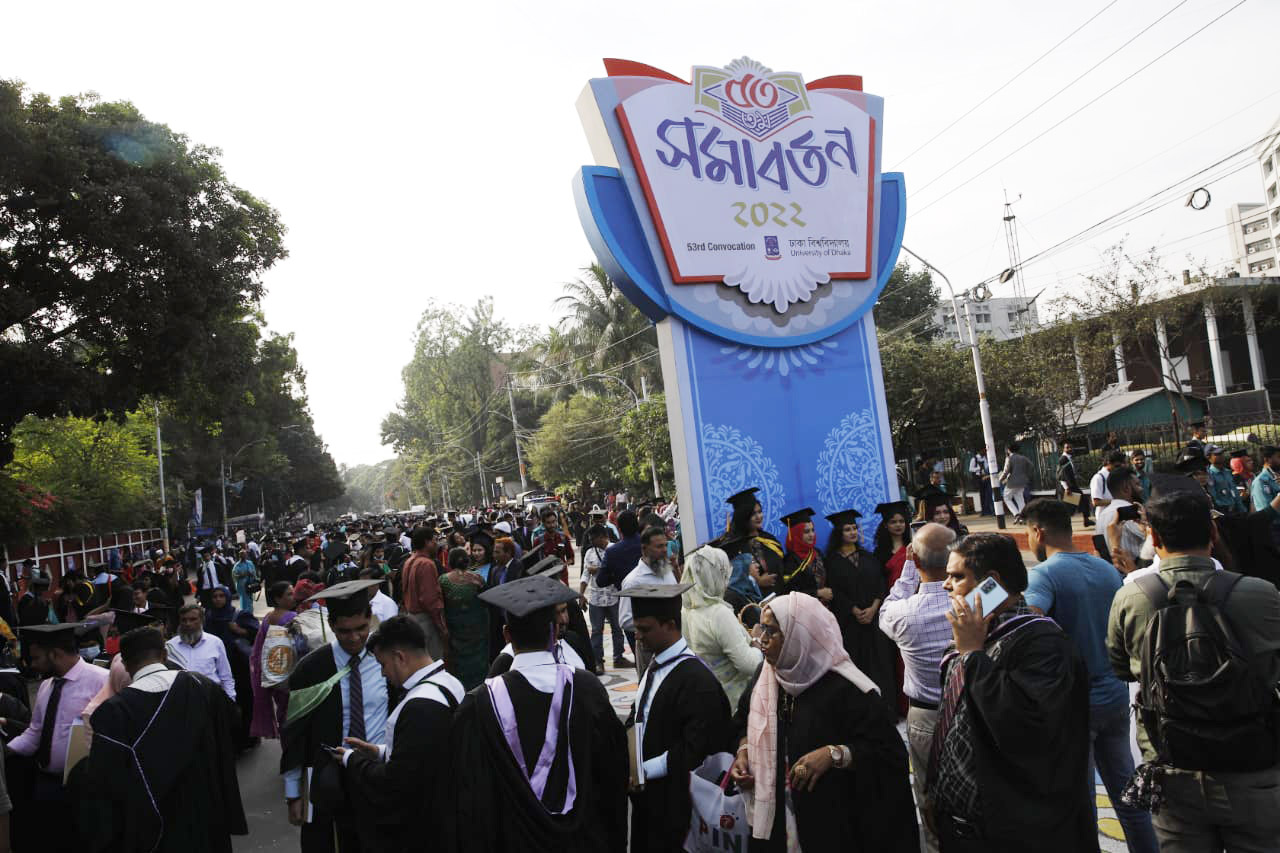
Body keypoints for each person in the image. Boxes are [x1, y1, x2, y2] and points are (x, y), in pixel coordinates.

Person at [1107, 491, 1280, 849]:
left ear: (1153, 538)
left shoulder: (1132, 596)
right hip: (1255, 762)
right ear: (1213, 534)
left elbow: (1122, 668)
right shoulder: (1260, 594)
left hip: (1172, 767)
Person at [929, 533, 1097, 851]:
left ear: (991, 582)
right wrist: (937, 793)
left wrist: (973, 657)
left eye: (957, 576)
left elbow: (1025, 725)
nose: (945, 585)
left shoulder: (1042, 644)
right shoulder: (975, 637)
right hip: (962, 826)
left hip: (1016, 832)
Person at [730, 592, 918, 851]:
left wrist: (835, 754)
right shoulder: (767, 678)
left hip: (831, 824)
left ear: (800, 636)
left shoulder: (848, 689)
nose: (761, 641)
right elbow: (744, 720)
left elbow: (888, 753)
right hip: (777, 822)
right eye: (761, 629)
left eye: (772, 632)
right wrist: (744, 751)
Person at [453, 575, 628, 852]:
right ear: (554, 628)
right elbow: (614, 775)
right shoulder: (587, 689)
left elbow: (471, 797)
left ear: (507, 635)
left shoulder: (479, 704)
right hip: (583, 840)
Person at [1023, 500, 1158, 853]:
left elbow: (1029, 618)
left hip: (1074, 702)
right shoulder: (1104, 570)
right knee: (1129, 794)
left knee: (1081, 805)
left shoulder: (1044, 574)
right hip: (1114, 695)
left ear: (1037, 532)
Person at [83, 625, 247, 853]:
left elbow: (106, 782)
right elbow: (233, 725)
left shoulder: (112, 712)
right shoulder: (202, 687)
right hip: (206, 814)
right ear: (164, 655)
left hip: (153, 828)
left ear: (126, 664)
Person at [620, 583, 731, 853]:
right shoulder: (655, 666)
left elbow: (697, 749)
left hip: (678, 810)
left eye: (645, 629)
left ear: (669, 624)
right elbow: (638, 717)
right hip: (648, 805)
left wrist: (645, 770)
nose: (638, 637)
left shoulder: (696, 680)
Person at [336, 616, 463, 853]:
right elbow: (425, 754)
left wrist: (351, 760)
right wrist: (379, 751)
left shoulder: (421, 705)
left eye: (383, 664)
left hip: (426, 830)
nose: (383, 674)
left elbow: (396, 783)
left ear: (400, 657)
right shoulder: (450, 682)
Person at [281, 580, 390, 853]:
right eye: (344, 631)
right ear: (331, 625)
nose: (354, 638)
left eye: (361, 629)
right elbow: (295, 734)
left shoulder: (387, 660)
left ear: (371, 619)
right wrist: (294, 794)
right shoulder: (311, 669)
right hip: (329, 781)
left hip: (378, 775)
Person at [877, 522, 955, 853]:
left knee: (931, 796)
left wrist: (909, 567)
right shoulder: (977, 601)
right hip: (970, 709)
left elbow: (888, 604)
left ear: (917, 560)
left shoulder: (901, 614)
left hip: (925, 718)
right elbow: (1001, 588)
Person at [8, 623, 110, 853]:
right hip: (46, 786)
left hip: (85, 789)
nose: (33, 665)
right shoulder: (46, 686)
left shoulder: (102, 680)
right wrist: (6, 751)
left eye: (36, 658)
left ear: (55, 654)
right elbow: (34, 734)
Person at [822, 509, 896, 714]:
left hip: (874, 622)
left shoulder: (868, 557)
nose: (853, 532)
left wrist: (874, 607)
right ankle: (866, 714)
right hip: (850, 625)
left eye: (854, 528)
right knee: (858, 667)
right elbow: (835, 591)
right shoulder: (832, 562)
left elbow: (881, 583)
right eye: (847, 529)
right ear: (839, 533)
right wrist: (853, 610)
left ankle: (887, 711)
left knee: (881, 664)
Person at [680, 546, 761, 708]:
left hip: (708, 699)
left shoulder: (686, 609)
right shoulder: (718, 613)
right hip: (735, 701)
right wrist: (756, 640)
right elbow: (750, 665)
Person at [618, 526, 677, 675]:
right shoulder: (633, 581)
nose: (664, 550)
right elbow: (625, 620)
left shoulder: (667, 572)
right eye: (659, 546)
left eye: (665, 545)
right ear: (644, 549)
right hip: (650, 647)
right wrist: (654, 623)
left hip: (673, 641)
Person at [717, 488, 784, 612]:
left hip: (779, 602)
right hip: (753, 608)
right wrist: (757, 582)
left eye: (760, 512)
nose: (759, 516)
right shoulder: (732, 546)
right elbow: (732, 582)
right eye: (753, 514)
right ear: (744, 516)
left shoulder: (769, 539)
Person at [250, 581, 297, 739]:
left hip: (273, 671)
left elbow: (260, 646)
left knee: (283, 711)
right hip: (289, 671)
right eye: (289, 594)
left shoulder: (267, 618)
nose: (293, 597)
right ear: (278, 599)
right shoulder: (292, 618)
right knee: (291, 713)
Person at [581, 524, 628, 674]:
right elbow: (585, 574)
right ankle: (598, 661)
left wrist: (599, 570)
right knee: (596, 630)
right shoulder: (589, 553)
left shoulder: (615, 549)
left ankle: (619, 657)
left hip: (613, 595)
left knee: (617, 628)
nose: (591, 541)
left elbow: (620, 570)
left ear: (601, 537)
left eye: (592, 539)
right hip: (596, 597)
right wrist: (581, 594)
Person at [440, 547, 489, 690]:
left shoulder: (443, 580)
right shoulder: (478, 578)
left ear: (450, 561)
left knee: (459, 663)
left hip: (455, 630)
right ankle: (480, 689)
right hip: (477, 630)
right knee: (478, 663)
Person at [167, 603, 236, 701]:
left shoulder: (215, 643)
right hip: (180, 701)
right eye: (184, 620)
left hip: (210, 699)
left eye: (193, 619)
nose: (188, 624)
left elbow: (226, 676)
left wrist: (230, 700)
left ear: (202, 621)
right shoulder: (170, 646)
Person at [400, 527, 448, 661]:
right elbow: (430, 600)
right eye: (434, 540)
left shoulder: (409, 561)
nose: (436, 544)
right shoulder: (427, 564)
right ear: (427, 542)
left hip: (413, 618)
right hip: (425, 620)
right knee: (433, 660)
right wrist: (441, 626)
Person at [1095, 464, 1147, 565]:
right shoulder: (1130, 511)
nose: (1141, 489)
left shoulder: (1102, 515)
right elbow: (1151, 544)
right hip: (1135, 572)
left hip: (1113, 573)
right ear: (1126, 489)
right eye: (1137, 484)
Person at [779, 508, 828, 598]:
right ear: (795, 534)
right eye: (806, 531)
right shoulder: (790, 560)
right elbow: (790, 593)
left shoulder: (817, 553)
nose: (811, 535)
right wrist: (817, 593)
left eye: (812, 530)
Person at [1057, 439, 1094, 526]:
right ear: (1063, 449)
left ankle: (1086, 520)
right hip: (1069, 487)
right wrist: (1066, 488)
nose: (1070, 449)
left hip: (1072, 485)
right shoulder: (1063, 459)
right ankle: (1063, 523)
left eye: (1071, 447)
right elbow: (1060, 476)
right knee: (1071, 506)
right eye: (1067, 447)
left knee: (1080, 502)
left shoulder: (1068, 458)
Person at [998, 443, 1034, 522]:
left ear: (1009, 450)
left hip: (1012, 482)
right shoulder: (1023, 458)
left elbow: (1005, 472)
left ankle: (1016, 514)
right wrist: (1026, 475)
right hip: (1022, 482)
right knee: (1020, 498)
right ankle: (1023, 517)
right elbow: (1031, 466)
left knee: (1006, 497)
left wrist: (999, 480)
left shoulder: (1009, 458)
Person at [1206, 445, 1246, 514]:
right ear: (1208, 457)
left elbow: (1235, 492)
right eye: (1217, 454)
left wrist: (1242, 509)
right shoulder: (1209, 475)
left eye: (1222, 453)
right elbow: (1214, 498)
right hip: (1224, 512)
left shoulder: (1227, 472)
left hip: (1236, 511)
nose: (1221, 456)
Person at [969, 450, 994, 516]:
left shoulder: (985, 458)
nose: (985, 452)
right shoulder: (974, 458)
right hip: (979, 478)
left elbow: (987, 467)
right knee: (982, 495)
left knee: (988, 494)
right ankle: (984, 511)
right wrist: (978, 468)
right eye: (983, 450)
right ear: (980, 451)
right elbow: (970, 469)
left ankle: (989, 510)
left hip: (986, 477)